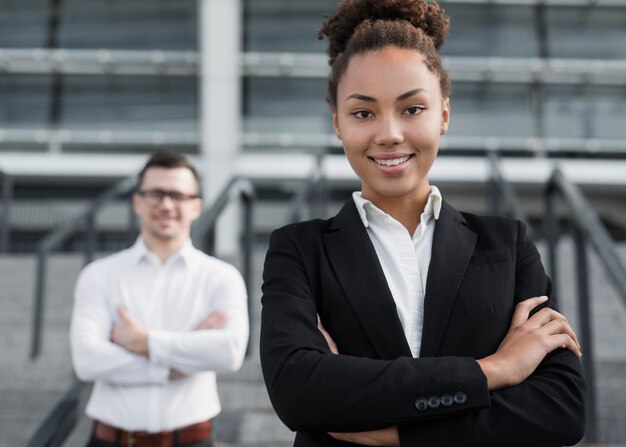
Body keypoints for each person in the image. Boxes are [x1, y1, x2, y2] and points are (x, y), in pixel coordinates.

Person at [259, 1, 586, 446]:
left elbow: (560, 410)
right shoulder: (299, 249)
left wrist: (391, 432)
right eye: (363, 113)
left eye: (412, 109)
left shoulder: (506, 244)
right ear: (337, 122)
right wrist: (494, 370)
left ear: (444, 115)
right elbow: (299, 392)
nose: (389, 133)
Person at [70, 151, 249, 447]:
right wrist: (180, 361)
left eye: (178, 195)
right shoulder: (98, 275)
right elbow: (87, 360)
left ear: (196, 206)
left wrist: (143, 342)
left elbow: (229, 353)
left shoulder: (222, 276)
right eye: (156, 194)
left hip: (191, 439)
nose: (166, 205)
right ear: (137, 202)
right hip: (110, 439)